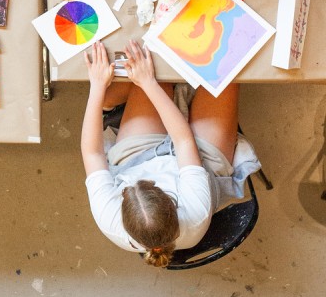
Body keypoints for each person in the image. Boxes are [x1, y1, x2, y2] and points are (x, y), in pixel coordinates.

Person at [81, 40, 260, 267]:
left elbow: (92, 154)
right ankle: (127, 91)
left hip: (139, 156)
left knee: (154, 62)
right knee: (225, 68)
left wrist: (96, 87)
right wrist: (148, 84)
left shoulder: (109, 218)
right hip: (206, 167)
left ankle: (111, 98)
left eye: (128, 189)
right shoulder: (196, 211)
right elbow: (184, 142)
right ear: (173, 202)